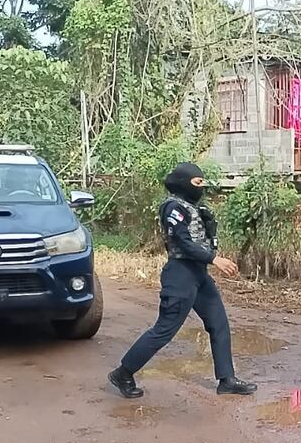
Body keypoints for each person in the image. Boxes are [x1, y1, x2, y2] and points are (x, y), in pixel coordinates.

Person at [107, 162, 258, 398]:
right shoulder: (173, 208)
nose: (202, 187)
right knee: (164, 330)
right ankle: (123, 373)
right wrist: (214, 259)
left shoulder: (194, 207)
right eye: (198, 182)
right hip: (180, 275)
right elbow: (184, 242)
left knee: (219, 324)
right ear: (183, 183)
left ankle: (226, 379)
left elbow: (201, 238)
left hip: (199, 275)